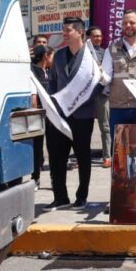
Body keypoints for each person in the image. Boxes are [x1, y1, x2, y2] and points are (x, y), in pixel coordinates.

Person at [43, 17, 102, 211]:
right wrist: (54, 102)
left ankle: (81, 196)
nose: (64, 34)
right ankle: (60, 197)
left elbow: (98, 85)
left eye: (68, 30)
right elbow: (53, 82)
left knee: (83, 157)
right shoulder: (59, 55)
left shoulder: (91, 56)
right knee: (57, 158)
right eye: (63, 30)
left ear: (79, 32)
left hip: (82, 116)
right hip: (60, 115)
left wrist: (81, 99)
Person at [99, 10, 136, 145]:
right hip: (118, 108)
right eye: (124, 23)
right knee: (119, 151)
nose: (128, 25)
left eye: (132, 22)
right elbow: (106, 77)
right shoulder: (111, 49)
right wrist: (97, 74)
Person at [87, 25, 111, 168]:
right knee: (84, 127)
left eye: (99, 36)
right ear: (88, 37)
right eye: (95, 36)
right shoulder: (82, 53)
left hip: (102, 94)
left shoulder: (106, 52)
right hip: (86, 94)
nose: (98, 38)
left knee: (105, 126)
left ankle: (107, 156)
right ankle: (81, 155)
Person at [30, 44, 53, 190]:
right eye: (52, 56)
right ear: (46, 56)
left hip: (51, 116)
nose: (53, 59)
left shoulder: (50, 71)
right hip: (38, 115)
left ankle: (54, 180)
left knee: (54, 148)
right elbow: (33, 96)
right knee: (37, 149)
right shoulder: (32, 72)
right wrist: (35, 114)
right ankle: (35, 178)